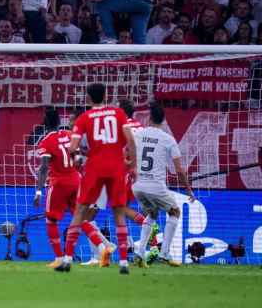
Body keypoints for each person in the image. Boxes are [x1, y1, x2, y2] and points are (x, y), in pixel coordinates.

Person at [55, 83, 137, 274]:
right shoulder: (118, 114)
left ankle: (67, 259)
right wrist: (132, 165)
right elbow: (131, 140)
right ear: (105, 96)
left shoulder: (84, 117)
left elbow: (73, 146)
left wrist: (76, 156)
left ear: (89, 98)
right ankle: (124, 262)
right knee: (118, 212)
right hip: (116, 167)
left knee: (80, 211)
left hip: (95, 168)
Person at [34, 107, 109, 269]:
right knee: (80, 218)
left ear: (45, 123)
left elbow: (44, 167)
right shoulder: (69, 136)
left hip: (59, 183)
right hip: (76, 180)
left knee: (51, 220)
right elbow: (81, 155)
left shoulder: (46, 141)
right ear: (59, 121)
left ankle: (59, 258)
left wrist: (39, 191)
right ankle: (103, 248)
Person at [133, 102, 195, 268]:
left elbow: (127, 154)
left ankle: (139, 253)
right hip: (156, 186)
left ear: (150, 118)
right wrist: (189, 191)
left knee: (152, 214)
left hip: (137, 186)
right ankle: (164, 253)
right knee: (175, 211)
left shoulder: (138, 135)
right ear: (163, 120)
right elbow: (179, 171)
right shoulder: (168, 139)